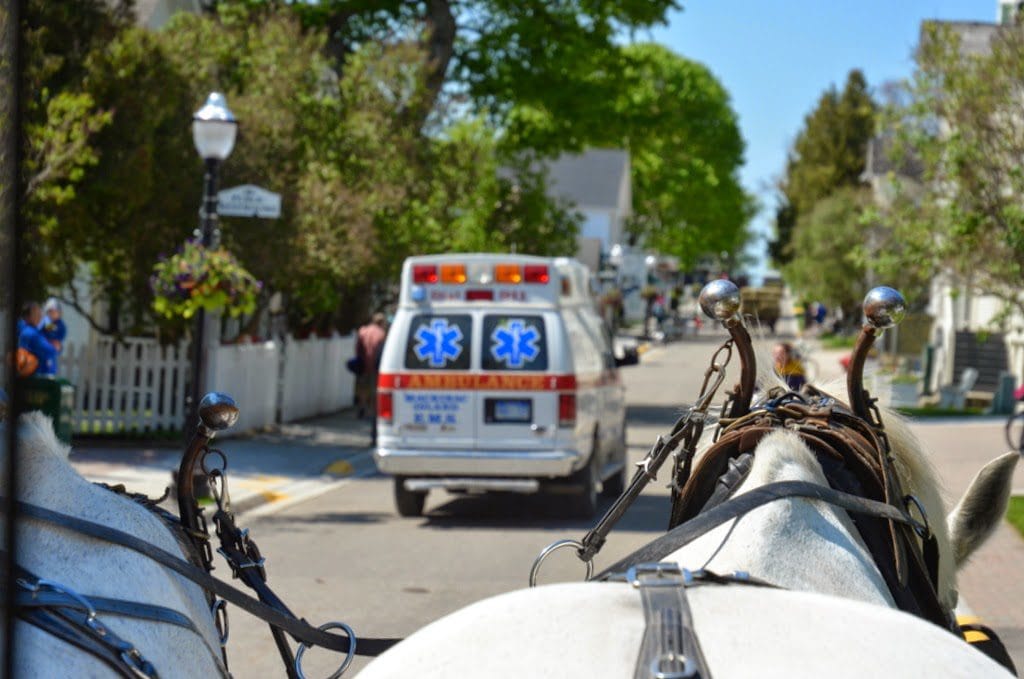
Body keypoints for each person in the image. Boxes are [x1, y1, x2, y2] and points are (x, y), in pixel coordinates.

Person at [355, 312, 388, 426]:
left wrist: (360, 359)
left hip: (363, 363)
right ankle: (371, 411)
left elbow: (358, 348)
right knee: (374, 388)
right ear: (381, 323)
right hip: (375, 365)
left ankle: (361, 407)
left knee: (362, 387)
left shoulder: (363, 331)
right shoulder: (381, 334)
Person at [17, 301, 57, 377]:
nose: (39, 316)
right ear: (27, 317)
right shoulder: (31, 333)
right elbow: (49, 350)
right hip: (37, 377)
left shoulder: (31, 331)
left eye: (40, 313)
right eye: (36, 313)